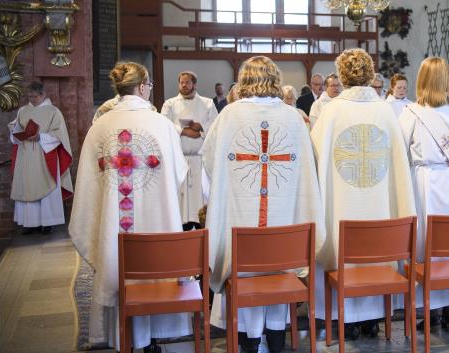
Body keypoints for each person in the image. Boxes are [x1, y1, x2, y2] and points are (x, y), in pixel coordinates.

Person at [202, 56, 326, 353]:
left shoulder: (229, 116)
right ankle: (274, 337)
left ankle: (250, 340)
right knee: (279, 270)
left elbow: (208, 163)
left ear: (244, 80)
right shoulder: (294, 117)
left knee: (245, 269)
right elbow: (310, 165)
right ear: (274, 79)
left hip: (240, 231)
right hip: (285, 234)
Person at [69, 62, 192, 353]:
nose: (150, 90)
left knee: (116, 260)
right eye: (149, 86)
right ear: (141, 86)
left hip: (115, 226)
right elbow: (178, 173)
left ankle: (124, 338)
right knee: (153, 269)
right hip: (154, 219)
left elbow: (88, 183)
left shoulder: (100, 126)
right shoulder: (161, 124)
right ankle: (150, 341)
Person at [311, 48, 416, 339]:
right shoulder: (385, 110)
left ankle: (345, 320)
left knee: (344, 249)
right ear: (370, 74)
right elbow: (399, 166)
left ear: (342, 76)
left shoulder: (331, 112)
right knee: (378, 253)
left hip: (342, 211)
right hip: (380, 208)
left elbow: (315, 159)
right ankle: (374, 318)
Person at [398, 57, 449, 332]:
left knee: (427, 245)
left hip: (426, 181)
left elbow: (400, 149)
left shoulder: (411, 112)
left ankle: (429, 308)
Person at [9, 81, 73, 234]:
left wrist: (41, 137)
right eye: (29, 96)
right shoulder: (23, 111)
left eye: (34, 96)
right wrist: (16, 131)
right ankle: (30, 223)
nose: (31, 99)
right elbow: (16, 129)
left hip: (45, 155)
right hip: (25, 156)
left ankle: (47, 223)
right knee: (27, 187)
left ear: (43, 94)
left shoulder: (53, 111)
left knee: (47, 185)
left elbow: (60, 135)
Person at [160, 71, 219, 231]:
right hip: (179, 159)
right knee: (180, 200)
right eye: (181, 82)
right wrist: (184, 131)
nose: (184, 85)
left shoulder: (207, 103)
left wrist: (200, 128)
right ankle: (181, 228)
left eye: (187, 82)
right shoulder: (170, 104)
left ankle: (201, 228)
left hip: (200, 160)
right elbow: (163, 124)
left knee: (199, 198)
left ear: (194, 84)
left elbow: (215, 126)